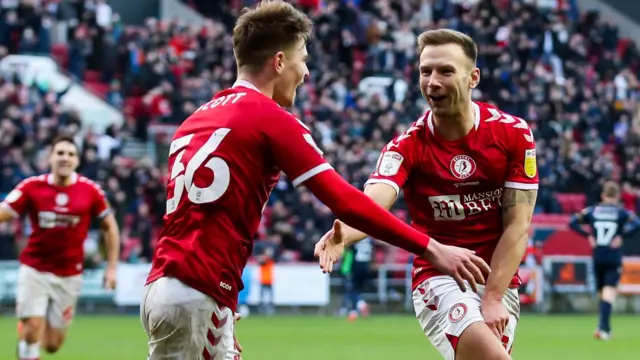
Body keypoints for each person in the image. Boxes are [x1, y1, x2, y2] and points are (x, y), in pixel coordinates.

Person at [139, 2, 490, 359]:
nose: (305, 72)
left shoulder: (194, 121)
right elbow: (347, 203)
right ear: (278, 62)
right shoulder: (269, 118)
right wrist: (432, 248)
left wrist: (218, 311)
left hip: (170, 287)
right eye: (302, 59)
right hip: (196, 291)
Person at [315, 29, 539, 360]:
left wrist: (492, 296)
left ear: (472, 77)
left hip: (500, 281)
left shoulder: (513, 134)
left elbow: (517, 226)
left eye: (446, 71)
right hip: (440, 278)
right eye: (425, 71)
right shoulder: (407, 146)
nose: (432, 81)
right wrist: (344, 234)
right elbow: (376, 200)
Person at [0, 134, 120, 360]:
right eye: (60, 153)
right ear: (50, 157)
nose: (65, 158)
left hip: (69, 274)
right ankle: (28, 332)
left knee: (53, 345)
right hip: (35, 269)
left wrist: (112, 267)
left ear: (77, 160)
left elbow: (110, 227)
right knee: (33, 330)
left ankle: (28, 329)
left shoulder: (91, 191)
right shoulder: (32, 187)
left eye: (70, 154)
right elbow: (3, 213)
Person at [569, 181, 640, 340]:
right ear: (617, 197)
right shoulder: (621, 212)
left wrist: (588, 235)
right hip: (613, 256)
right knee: (609, 291)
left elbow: (572, 222)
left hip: (597, 255)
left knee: (601, 291)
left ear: (603, 195)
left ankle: (604, 327)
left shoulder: (592, 211)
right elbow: (636, 223)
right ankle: (603, 328)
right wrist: (622, 236)